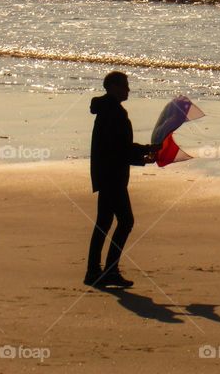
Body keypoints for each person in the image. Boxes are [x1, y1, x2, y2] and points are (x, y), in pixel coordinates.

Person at [84, 71, 157, 288]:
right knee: (125, 221)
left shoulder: (107, 109)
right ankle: (109, 270)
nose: (128, 90)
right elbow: (119, 149)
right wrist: (147, 151)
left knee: (104, 223)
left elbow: (118, 148)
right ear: (114, 87)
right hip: (112, 176)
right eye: (125, 85)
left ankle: (94, 271)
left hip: (105, 174)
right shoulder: (114, 112)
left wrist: (144, 155)